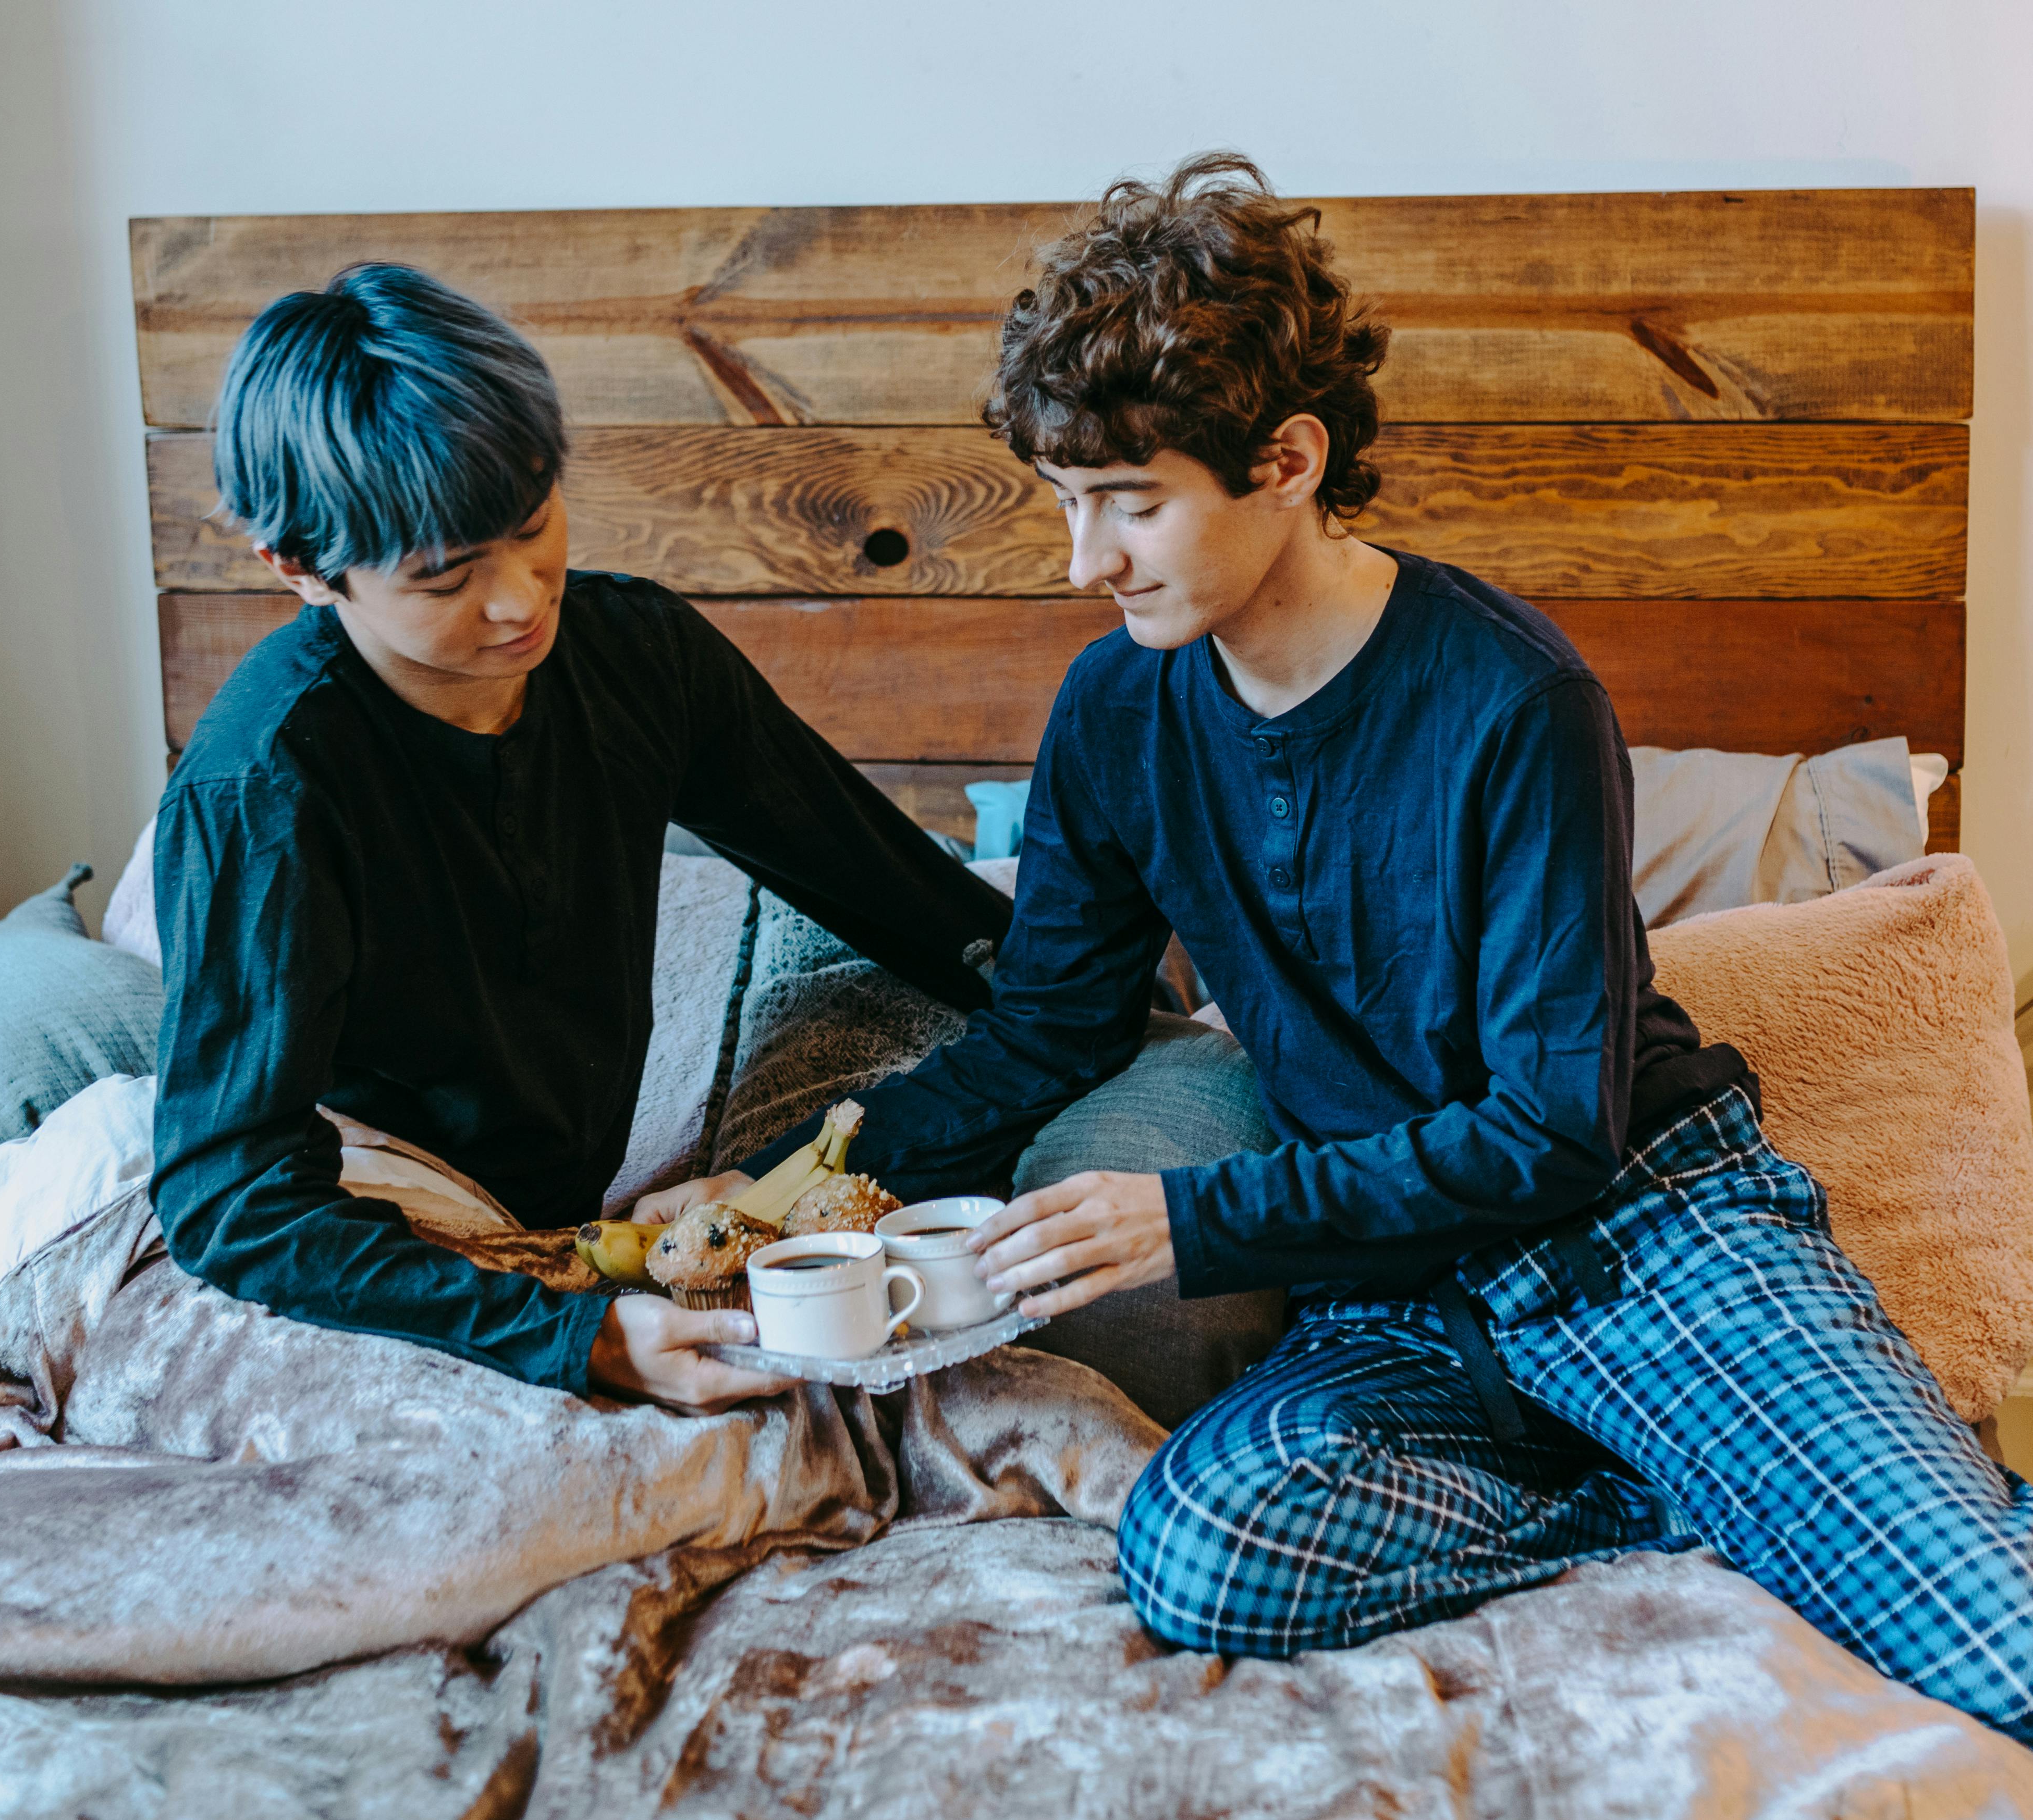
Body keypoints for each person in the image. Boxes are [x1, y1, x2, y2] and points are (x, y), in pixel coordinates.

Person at [714, 152, 2033, 1738]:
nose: (1086, 560)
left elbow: (1555, 1128)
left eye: (1132, 504)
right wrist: (787, 1176)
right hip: (1396, 1302)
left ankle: (1806, 1493)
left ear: (1286, 457)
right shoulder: (1115, 715)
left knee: (1993, 1653)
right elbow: (1044, 1035)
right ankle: (1707, 1501)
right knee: (1203, 1555)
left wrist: (1193, 1220)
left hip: (1638, 1237)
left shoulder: (1514, 701)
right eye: (1069, 503)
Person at [150, 261, 1018, 1413]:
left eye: (531, 527)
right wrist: (578, 1342)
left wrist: (1086, 995)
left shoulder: (638, 660)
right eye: (446, 575)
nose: (518, 601)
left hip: (566, 1231)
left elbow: (894, 893)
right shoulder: (265, 788)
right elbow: (231, 1195)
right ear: (302, 570)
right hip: (351, 1229)